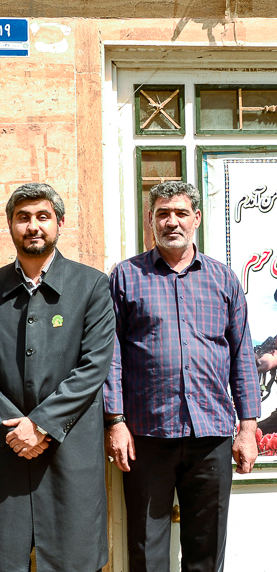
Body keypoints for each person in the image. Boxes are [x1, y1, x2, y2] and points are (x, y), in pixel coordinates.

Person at [105, 181, 260, 572]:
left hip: (211, 434)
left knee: (207, 550)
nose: (171, 222)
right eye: (162, 213)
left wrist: (247, 428)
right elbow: (111, 357)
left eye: (180, 213)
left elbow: (242, 356)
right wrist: (115, 422)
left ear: (197, 218)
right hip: (147, 435)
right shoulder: (126, 277)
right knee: (146, 549)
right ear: (150, 220)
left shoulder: (224, 279)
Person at [0, 183, 116, 572]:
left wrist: (41, 425)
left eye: (43, 216)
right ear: (10, 225)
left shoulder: (92, 285)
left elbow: (94, 366)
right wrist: (17, 430)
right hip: (4, 451)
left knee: (74, 561)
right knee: (5, 560)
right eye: (23, 217)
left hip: (70, 452)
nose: (33, 226)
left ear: (59, 223)